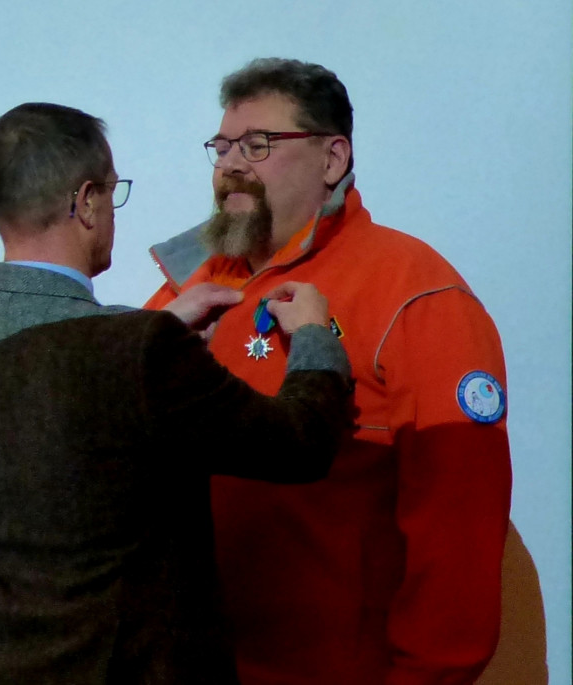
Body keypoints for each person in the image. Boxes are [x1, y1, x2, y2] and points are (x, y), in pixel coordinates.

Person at [0, 102, 353, 685]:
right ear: (85, 202)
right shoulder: (138, 352)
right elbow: (301, 444)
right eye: (112, 196)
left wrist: (157, 327)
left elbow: (53, 386)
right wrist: (318, 336)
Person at [146, 58, 513, 685]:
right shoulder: (186, 296)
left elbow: (458, 539)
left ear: (333, 159)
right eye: (222, 145)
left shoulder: (417, 297)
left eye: (259, 144)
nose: (230, 164)